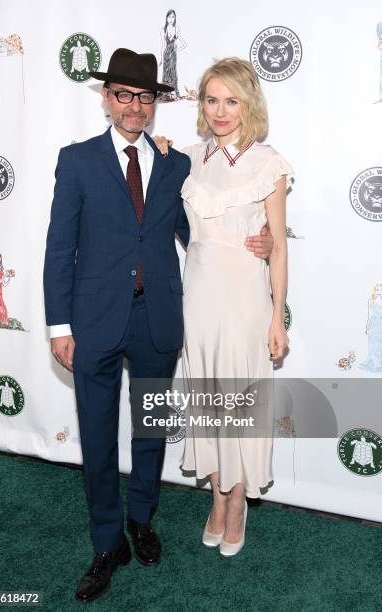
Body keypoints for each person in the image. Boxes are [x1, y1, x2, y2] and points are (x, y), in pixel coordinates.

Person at [43, 48, 273, 603]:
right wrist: (59, 325)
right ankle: (106, 543)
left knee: (148, 431)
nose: (134, 106)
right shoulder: (76, 160)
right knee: (98, 438)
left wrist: (255, 250)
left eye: (144, 97)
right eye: (123, 95)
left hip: (158, 319)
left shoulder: (176, 164)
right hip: (95, 321)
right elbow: (58, 249)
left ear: (155, 104)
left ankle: (141, 521)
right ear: (106, 99)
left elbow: (197, 233)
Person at [158, 57, 292, 556]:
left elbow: (278, 246)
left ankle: (237, 503)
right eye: (211, 99)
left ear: (248, 103)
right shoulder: (186, 159)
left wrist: (278, 315)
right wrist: (163, 151)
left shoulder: (269, 164)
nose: (220, 111)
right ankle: (215, 497)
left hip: (243, 300)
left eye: (231, 100)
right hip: (198, 298)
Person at [159, 9, 186, 99]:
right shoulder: (163, 30)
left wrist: (177, 49)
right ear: (166, 18)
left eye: (173, 17)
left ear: (175, 18)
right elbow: (163, 45)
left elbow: (185, 44)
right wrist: (161, 59)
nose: (171, 19)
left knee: (173, 72)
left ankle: (175, 92)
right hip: (166, 54)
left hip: (173, 55)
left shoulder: (176, 29)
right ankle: (166, 92)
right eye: (169, 17)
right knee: (166, 72)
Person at [359, 283, 382, 372]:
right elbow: (369, 315)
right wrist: (367, 328)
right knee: (373, 345)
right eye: (377, 290)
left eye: (381, 290)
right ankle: (376, 363)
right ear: (374, 291)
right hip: (373, 326)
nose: (379, 292)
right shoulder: (370, 301)